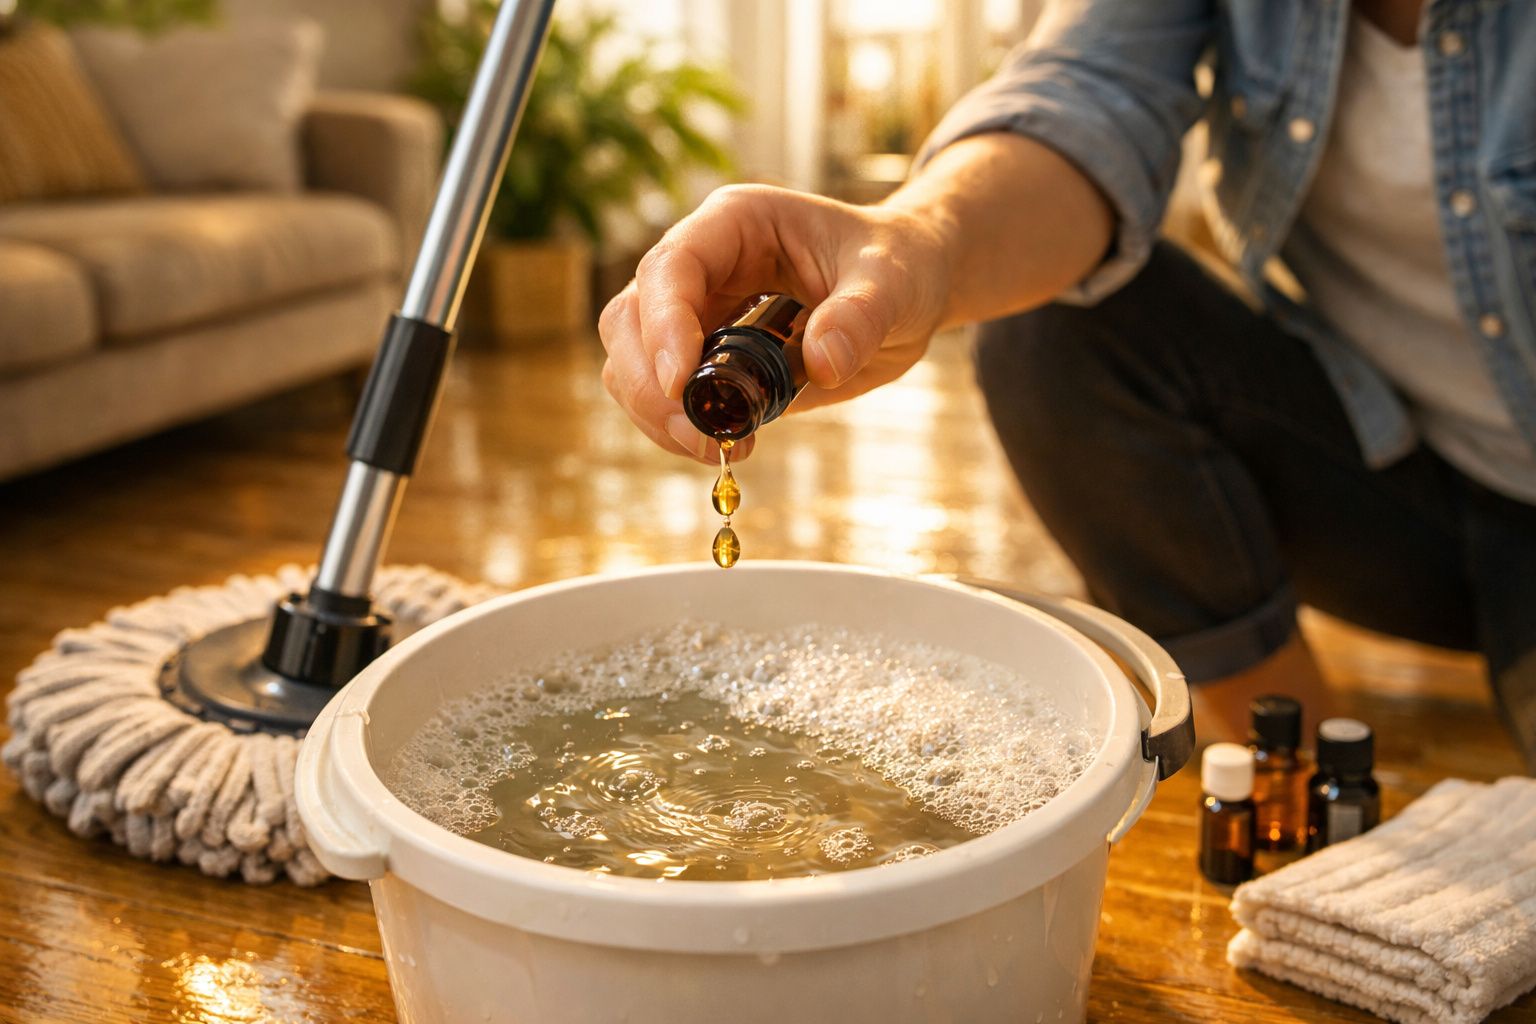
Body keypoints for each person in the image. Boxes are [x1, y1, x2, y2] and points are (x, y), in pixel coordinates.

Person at [597, 0, 1536, 761]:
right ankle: (1296, 783)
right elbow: (1088, 91)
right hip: (1411, 483)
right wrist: (917, 239)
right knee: (1053, 321)